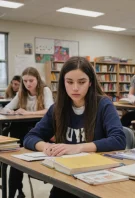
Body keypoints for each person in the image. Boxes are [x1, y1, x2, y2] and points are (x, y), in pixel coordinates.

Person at [24, 56, 126, 198]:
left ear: (90, 82)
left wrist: (78, 147)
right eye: (69, 82)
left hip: (97, 179)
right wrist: (46, 147)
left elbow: (119, 139)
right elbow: (30, 137)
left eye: (82, 82)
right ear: (63, 83)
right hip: (66, 179)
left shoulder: (103, 105)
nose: (75, 88)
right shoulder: (57, 108)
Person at [0, 67, 54, 198]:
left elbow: (50, 110)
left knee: (16, 157)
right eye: (25, 81)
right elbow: (7, 107)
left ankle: (16, 192)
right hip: (22, 128)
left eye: (31, 80)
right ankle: (13, 194)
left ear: (37, 80)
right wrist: (11, 112)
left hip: (39, 129)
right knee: (14, 160)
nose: (28, 84)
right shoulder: (21, 93)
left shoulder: (45, 90)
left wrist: (28, 113)